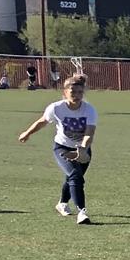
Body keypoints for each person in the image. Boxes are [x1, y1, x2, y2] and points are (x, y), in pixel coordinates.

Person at [16, 74, 99, 225]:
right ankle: (82, 212)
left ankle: (62, 203)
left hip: (83, 148)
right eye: (73, 92)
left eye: (80, 92)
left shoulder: (89, 110)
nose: (77, 95)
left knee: (72, 177)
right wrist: (27, 133)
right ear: (65, 93)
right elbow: (42, 121)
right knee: (75, 175)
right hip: (62, 147)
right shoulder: (56, 108)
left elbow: (89, 133)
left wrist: (83, 148)